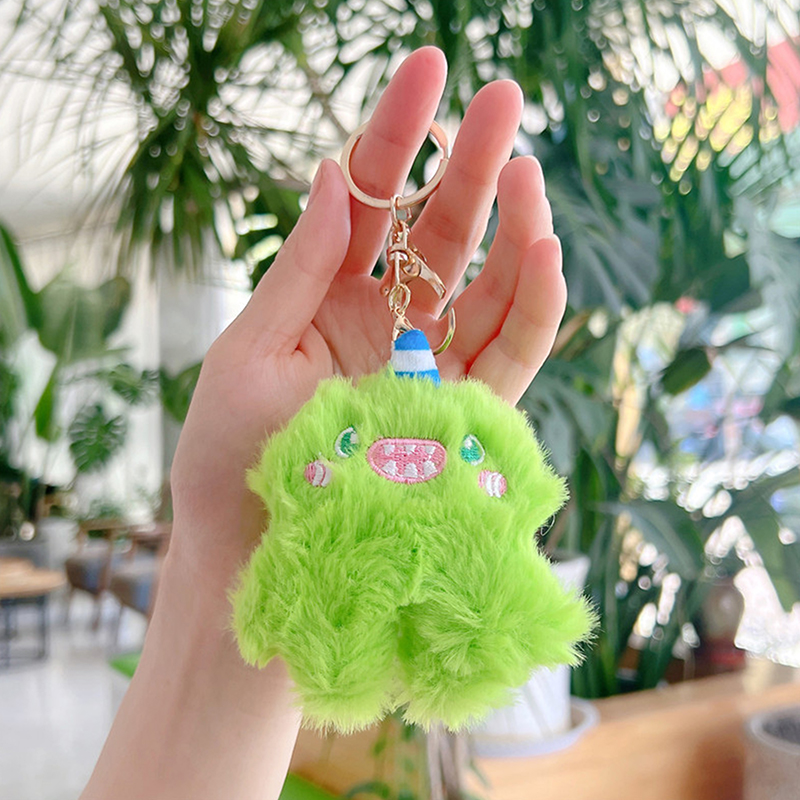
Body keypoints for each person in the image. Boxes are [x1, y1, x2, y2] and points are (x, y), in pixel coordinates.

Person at [79, 46, 567, 800]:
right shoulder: (375, 443)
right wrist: (225, 553)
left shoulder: (371, 440)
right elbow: (521, 492)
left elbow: (524, 494)